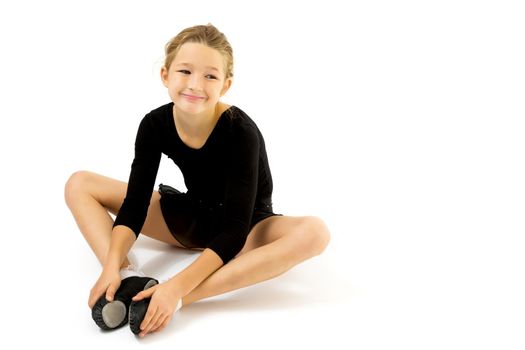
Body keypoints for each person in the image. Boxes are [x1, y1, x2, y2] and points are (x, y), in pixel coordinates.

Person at [64, 23, 330, 338]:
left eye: (210, 76)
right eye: (185, 71)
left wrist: (177, 287)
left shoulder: (240, 130)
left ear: (226, 85)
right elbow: (133, 206)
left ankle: (177, 298)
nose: (195, 84)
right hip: (193, 215)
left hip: (247, 228)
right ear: (165, 75)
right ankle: (127, 278)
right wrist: (110, 266)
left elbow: (233, 231)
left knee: (315, 232)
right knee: (79, 183)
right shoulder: (154, 124)